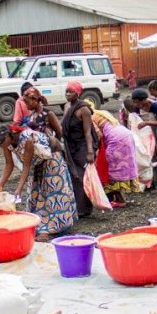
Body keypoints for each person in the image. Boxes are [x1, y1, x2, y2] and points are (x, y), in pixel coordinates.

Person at [0, 123, 75, 241]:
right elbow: (9, 164)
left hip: (51, 161)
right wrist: (0, 184)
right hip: (35, 164)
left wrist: (19, 189)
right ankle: (39, 225)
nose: (2, 146)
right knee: (35, 196)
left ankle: (53, 229)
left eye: (1, 143)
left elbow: (26, 166)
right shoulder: (7, 142)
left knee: (52, 196)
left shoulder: (27, 139)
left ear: (8, 135)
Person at [89, 103, 140, 206]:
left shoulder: (90, 117)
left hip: (115, 139)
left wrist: (97, 150)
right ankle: (119, 197)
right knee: (122, 167)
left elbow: (99, 135)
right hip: (126, 134)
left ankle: (120, 200)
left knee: (111, 168)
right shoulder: (102, 113)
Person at [61, 81, 97, 218]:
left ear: (78, 93)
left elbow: (88, 132)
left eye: (71, 91)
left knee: (82, 177)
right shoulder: (66, 106)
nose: (68, 94)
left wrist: (89, 152)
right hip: (70, 146)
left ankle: (85, 208)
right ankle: (77, 206)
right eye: (66, 91)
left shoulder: (83, 109)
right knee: (73, 176)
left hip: (81, 146)